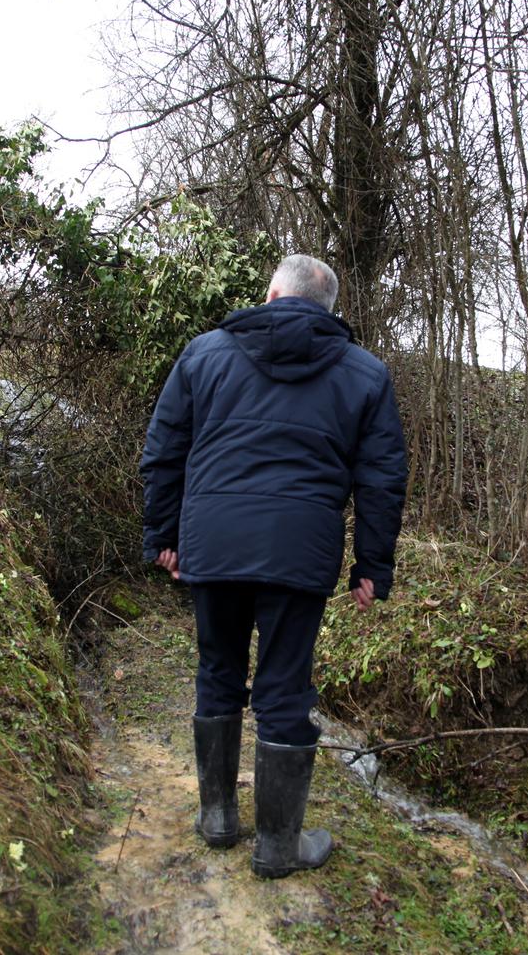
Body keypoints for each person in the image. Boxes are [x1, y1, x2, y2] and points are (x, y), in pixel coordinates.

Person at [140, 253, 408, 878]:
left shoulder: (204, 353)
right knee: (284, 688)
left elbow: (164, 452)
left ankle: (216, 819)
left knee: (218, 669)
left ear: (271, 293)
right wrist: (374, 563)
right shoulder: (365, 373)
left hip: (213, 540)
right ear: (328, 309)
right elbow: (382, 478)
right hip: (299, 549)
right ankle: (279, 846)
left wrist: (164, 536)